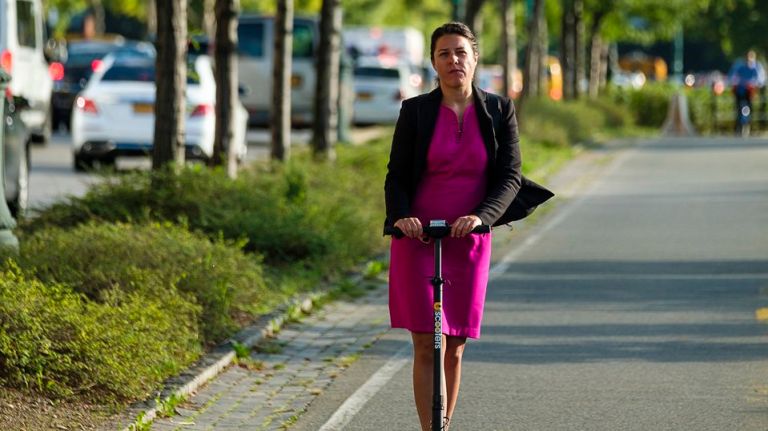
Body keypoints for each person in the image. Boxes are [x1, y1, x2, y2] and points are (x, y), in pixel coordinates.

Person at [384, 22, 522, 431]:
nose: (453, 60)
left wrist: (482, 217)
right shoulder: (415, 112)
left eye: (461, 52)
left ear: (475, 58)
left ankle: (445, 423)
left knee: (455, 345)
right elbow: (395, 176)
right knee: (426, 342)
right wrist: (401, 217)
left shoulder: (499, 111)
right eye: (444, 53)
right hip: (417, 236)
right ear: (433, 63)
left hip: (470, 238)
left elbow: (510, 177)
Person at [727, 50, 766, 134]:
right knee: (738, 108)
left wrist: (753, 84)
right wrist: (738, 82)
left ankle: (748, 126)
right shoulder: (739, 65)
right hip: (739, 91)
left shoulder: (757, 66)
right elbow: (732, 77)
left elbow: (761, 79)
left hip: (750, 91)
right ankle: (738, 127)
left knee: (749, 108)